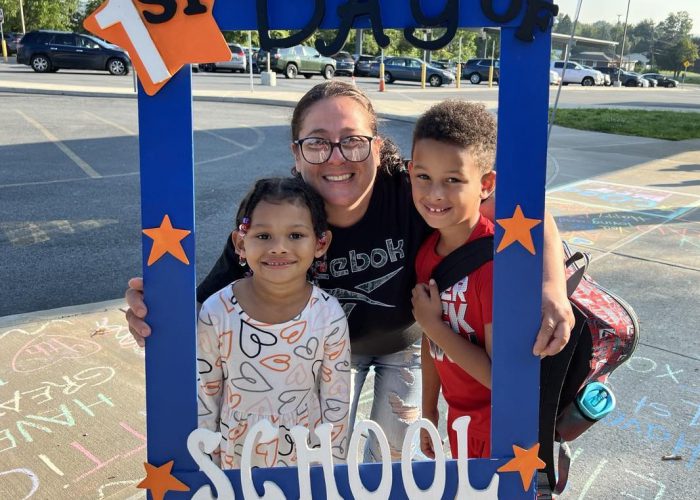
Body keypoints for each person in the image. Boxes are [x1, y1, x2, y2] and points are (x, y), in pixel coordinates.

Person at [125, 81, 574, 462]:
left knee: (392, 458)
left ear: (377, 148)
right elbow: (203, 307)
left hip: (409, 343)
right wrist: (155, 313)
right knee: (316, 456)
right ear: (297, 154)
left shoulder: (414, 189)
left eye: (353, 140)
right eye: (317, 142)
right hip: (327, 352)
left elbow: (530, 216)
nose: (336, 157)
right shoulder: (281, 219)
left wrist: (552, 289)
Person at [197, 177, 350, 468]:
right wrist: (208, 468)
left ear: (320, 243)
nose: (279, 248)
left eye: (295, 235)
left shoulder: (328, 315)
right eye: (264, 236)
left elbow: (336, 405)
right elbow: (206, 396)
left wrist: (334, 473)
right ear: (240, 243)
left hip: (306, 461)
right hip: (236, 457)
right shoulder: (217, 311)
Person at [409, 100, 497, 459]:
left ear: (486, 184)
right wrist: (429, 409)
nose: (434, 194)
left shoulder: (496, 264)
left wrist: (431, 324)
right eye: (423, 177)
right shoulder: (428, 252)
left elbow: (500, 378)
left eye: (453, 180)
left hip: (499, 426)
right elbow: (432, 345)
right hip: (458, 419)